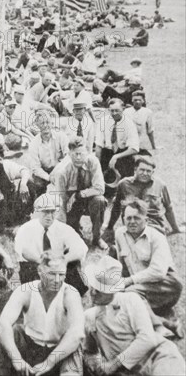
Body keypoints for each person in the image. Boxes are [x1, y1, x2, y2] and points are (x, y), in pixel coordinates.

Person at [82, 255, 186, 376]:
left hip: (156, 356)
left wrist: (113, 364)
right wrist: (97, 365)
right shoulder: (89, 317)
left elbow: (147, 339)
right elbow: (89, 351)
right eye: (92, 287)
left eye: (99, 290)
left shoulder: (130, 300)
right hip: (127, 371)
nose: (93, 293)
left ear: (112, 291)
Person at [0, 251, 85, 376]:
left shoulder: (70, 293)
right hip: (30, 347)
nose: (57, 280)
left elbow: (77, 333)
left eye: (61, 274)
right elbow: (2, 324)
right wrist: (17, 359)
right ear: (40, 272)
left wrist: (50, 362)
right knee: (15, 331)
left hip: (60, 352)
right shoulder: (25, 290)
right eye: (52, 274)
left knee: (73, 344)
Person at [113, 198, 183, 329]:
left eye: (137, 218)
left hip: (166, 283)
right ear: (123, 219)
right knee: (115, 300)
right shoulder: (119, 234)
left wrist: (128, 281)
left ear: (146, 219)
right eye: (128, 218)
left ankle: (160, 325)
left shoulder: (157, 238)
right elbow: (121, 263)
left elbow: (158, 272)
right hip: (140, 284)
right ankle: (166, 322)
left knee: (128, 296)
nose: (132, 222)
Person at [15, 193, 89, 295]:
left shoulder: (63, 228)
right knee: (33, 295)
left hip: (59, 266)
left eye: (52, 212)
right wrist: (42, 262)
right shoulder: (26, 228)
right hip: (36, 266)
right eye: (45, 212)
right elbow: (23, 250)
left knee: (76, 289)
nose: (49, 216)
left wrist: (64, 260)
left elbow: (80, 249)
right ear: (37, 211)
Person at [50, 136, 107, 250]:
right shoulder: (61, 171)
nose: (78, 157)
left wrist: (79, 195)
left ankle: (97, 238)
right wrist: (63, 229)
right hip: (70, 202)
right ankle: (75, 230)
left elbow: (100, 188)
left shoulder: (93, 162)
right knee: (73, 235)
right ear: (69, 154)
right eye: (75, 154)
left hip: (87, 198)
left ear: (87, 152)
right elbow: (60, 201)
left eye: (81, 153)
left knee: (100, 201)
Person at [105, 156, 184, 237]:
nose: (145, 173)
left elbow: (169, 208)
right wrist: (110, 227)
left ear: (153, 172)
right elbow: (116, 207)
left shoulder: (160, 185)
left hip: (154, 225)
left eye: (148, 171)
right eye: (142, 170)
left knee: (146, 237)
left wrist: (176, 229)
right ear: (135, 169)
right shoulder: (124, 184)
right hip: (132, 223)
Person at [96, 98, 140, 180]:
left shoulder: (129, 123)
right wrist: (97, 166)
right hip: (107, 154)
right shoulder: (103, 121)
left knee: (124, 183)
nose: (114, 113)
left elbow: (134, 148)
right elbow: (99, 145)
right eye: (111, 111)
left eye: (117, 110)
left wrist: (116, 156)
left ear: (123, 109)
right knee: (105, 182)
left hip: (123, 155)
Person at [28, 110, 69, 195]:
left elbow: (68, 156)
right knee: (34, 183)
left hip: (60, 169)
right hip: (44, 172)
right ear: (37, 125)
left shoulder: (61, 136)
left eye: (48, 122)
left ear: (51, 123)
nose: (46, 125)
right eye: (42, 123)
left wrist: (57, 173)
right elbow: (35, 168)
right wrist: (49, 178)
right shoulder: (33, 143)